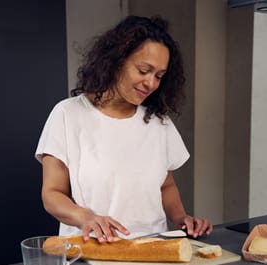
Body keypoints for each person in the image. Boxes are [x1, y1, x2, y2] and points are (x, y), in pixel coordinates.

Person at [35, 15, 212, 243]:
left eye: (159, 76)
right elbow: (52, 194)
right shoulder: (68, 115)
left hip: (152, 250)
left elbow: (166, 185)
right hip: (89, 253)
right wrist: (86, 217)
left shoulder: (159, 122)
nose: (151, 83)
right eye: (143, 70)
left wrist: (181, 218)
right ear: (116, 61)